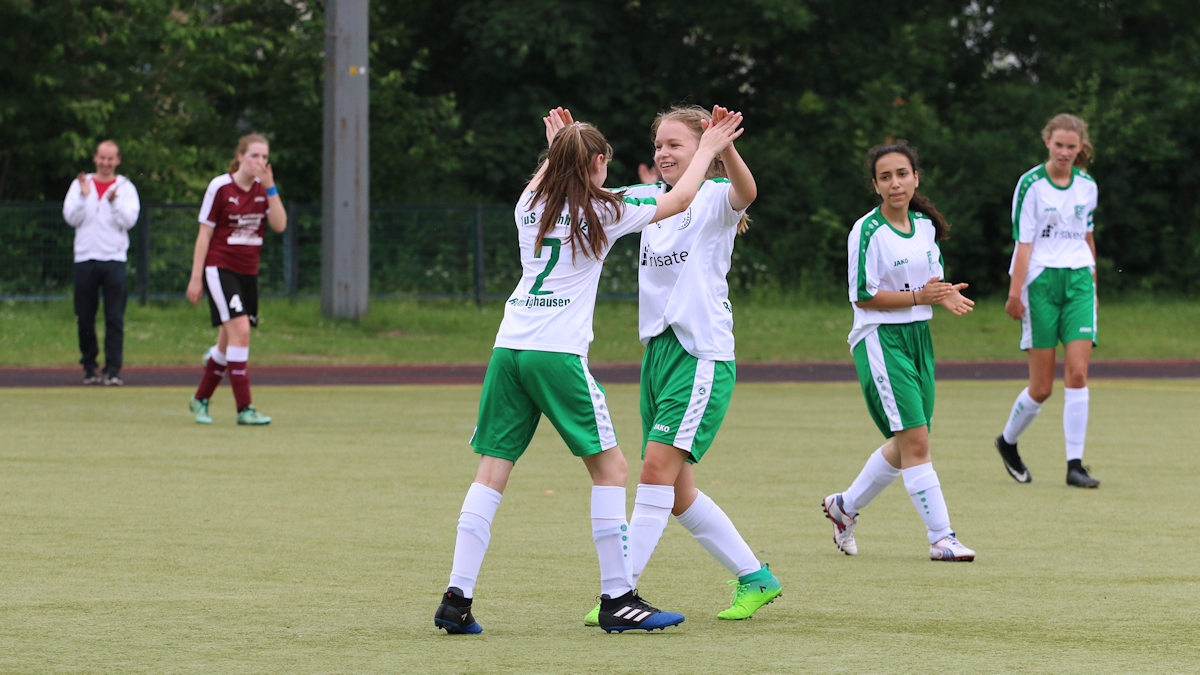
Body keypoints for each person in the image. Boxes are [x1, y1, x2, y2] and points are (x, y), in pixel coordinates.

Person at [434, 107, 745, 635]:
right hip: (556, 353)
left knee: (490, 473)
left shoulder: (527, 204)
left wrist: (560, 146)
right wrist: (711, 148)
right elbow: (683, 199)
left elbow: (548, 177)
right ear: (600, 163)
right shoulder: (605, 209)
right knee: (612, 471)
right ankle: (618, 597)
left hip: (508, 346)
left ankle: (456, 597)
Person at [584, 105, 782, 626]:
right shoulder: (652, 199)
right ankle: (755, 577)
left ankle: (620, 594)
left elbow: (748, 193)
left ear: (702, 151)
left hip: (701, 355)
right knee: (676, 492)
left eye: (675, 144)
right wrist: (568, 150)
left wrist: (726, 147)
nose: (662, 154)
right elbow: (592, 201)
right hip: (658, 354)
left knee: (653, 471)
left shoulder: (715, 196)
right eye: (658, 146)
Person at [821, 142, 977, 562]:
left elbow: (932, 279)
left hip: (917, 338)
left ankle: (844, 507)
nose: (896, 183)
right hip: (880, 340)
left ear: (915, 178)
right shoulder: (866, 230)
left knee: (908, 441)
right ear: (875, 185)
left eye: (902, 174)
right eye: (886, 176)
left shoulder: (924, 226)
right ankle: (942, 537)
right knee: (917, 443)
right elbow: (863, 296)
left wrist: (940, 296)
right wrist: (919, 297)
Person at [993, 114, 1101, 489]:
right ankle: (1007, 442)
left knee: (1078, 373)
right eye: (1059, 145)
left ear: (1080, 147)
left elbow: (1087, 239)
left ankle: (1075, 466)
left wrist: (1095, 288)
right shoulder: (1031, 185)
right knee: (1041, 387)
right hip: (1039, 283)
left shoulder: (1087, 186)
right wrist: (1014, 292)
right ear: (1047, 143)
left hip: (1078, 283)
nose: (1065, 153)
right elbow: (1024, 243)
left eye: (1072, 147)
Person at [185, 134, 286, 426]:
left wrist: (271, 189)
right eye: (254, 156)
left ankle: (200, 399)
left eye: (265, 157)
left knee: (227, 345)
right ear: (240, 156)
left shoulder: (263, 190)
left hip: (248, 273)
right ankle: (245, 408)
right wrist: (196, 278)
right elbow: (204, 233)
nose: (260, 162)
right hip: (220, 269)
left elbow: (279, 225)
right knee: (241, 331)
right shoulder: (220, 186)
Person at [62, 140, 141, 386]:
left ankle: (113, 369)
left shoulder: (125, 187)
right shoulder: (80, 185)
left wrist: (114, 202)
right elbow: (70, 217)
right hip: (85, 258)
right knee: (85, 317)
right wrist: (85, 198)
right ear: (95, 158)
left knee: (114, 317)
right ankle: (89, 366)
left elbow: (129, 221)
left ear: (117, 160)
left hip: (114, 260)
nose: (106, 163)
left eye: (111, 159)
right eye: (102, 158)